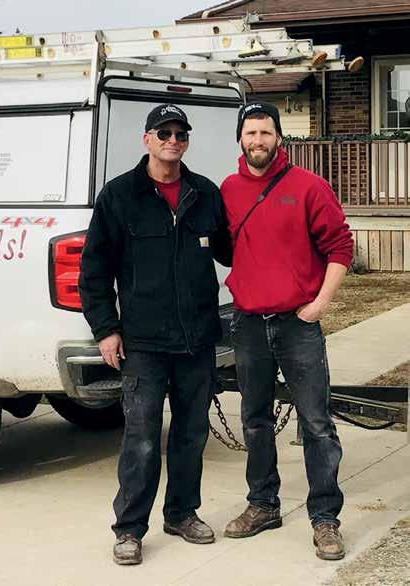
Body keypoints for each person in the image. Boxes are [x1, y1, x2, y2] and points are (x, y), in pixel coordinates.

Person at [79, 103, 232, 566]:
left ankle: (182, 514)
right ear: (147, 139)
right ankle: (129, 528)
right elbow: (94, 271)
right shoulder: (119, 196)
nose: (172, 140)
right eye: (163, 132)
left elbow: (232, 251)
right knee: (142, 439)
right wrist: (106, 330)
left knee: (190, 434)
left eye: (180, 133)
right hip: (143, 343)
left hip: (196, 339)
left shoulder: (205, 194)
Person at [220, 102, 354, 560]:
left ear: (279, 137)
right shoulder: (229, 189)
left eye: (265, 132)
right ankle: (263, 505)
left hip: (298, 324)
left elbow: (340, 247)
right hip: (248, 324)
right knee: (255, 420)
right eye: (250, 132)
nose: (257, 140)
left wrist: (318, 306)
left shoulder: (308, 187)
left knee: (316, 423)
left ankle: (325, 518)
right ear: (240, 139)